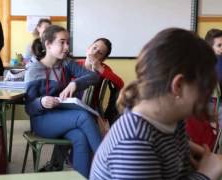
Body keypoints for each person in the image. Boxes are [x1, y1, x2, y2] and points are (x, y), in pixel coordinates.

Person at [90, 28, 222, 180]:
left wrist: (204, 159)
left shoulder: (172, 119)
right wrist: (206, 175)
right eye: (205, 88)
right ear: (178, 86)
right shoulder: (134, 142)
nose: (208, 96)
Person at [25, 25, 102, 178]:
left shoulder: (66, 63)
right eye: (62, 42)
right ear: (48, 44)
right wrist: (41, 102)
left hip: (63, 117)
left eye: (68, 42)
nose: (67, 47)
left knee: (80, 137)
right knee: (83, 117)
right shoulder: (34, 70)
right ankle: (109, 163)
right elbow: (29, 108)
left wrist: (75, 83)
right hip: (42, 121)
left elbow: (94, 77)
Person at [78, 38, 124, 108]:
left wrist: (99, 68)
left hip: (91, 106)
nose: (95, 52)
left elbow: (120, 84)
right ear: (88, 48)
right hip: (73, 103)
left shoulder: (103, 68)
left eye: (100, 53)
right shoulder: (75, 65)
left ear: (103, 59)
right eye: (94, 47)